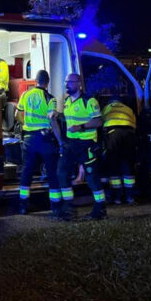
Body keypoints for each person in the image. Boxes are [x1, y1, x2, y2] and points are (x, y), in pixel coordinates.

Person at [56, 73, 107, 220]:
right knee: (62, 172)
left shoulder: (89, 101)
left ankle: (100, 209)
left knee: (91, 177)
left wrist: (81, 127)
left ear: (79, 84)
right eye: (66, 82)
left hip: (87, 143)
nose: (66, 85)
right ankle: (69, 208)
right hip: (71, 144)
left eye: (70, 82)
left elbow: (98, 122)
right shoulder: (67, 101)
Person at [15, 70, 61, 215]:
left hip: (29, 139)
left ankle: (23, 206)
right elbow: (53, 120)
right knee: (52, 173)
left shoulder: (25, 95)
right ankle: (55, 207)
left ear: (35, 80)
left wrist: (25, 125)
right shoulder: (50, 98)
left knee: (26, 172)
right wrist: (60, 141)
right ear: (47, 82)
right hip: (45, 139)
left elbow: (17, 115)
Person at [101, 97, 137, 204]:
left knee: (113, 164)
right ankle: (130, 197)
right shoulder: (128, 108)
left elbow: (101, 122)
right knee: (127, 164)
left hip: (113, 133)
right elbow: (134, 124)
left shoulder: (107, 108)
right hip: (129, 134)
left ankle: (117, 198)